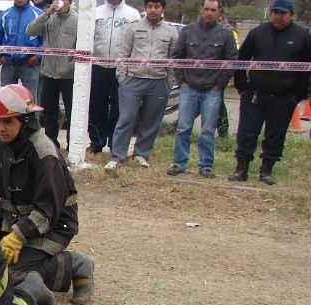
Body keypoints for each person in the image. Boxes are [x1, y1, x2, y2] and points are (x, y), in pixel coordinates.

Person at [0, 85, 95, 305]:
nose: (0, 128)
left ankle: (74, 264)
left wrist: (16, 236)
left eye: (7, 122)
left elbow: (47, 210)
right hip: (16, 215)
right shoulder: (3, 144)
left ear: (25, 121)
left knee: (8, 276)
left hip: (52, 224)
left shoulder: (44, 153)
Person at [228, 0, 311, 185]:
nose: (278, 16)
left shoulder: (302, 36)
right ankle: (241, 169)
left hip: (284, 97)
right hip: (255, 95)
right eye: (274, 12)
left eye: (282, 13)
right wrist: (242, 88)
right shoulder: (258, 33)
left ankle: (266, 171)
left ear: (292, 14)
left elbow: (307, 67)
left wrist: (297, 95)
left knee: (275, 134)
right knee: (246, 133)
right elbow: (241, 60)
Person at [104, 0, 178, 172]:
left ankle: (141, 154)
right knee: (126, 119)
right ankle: (117, 156)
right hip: (133, 80)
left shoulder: (171, 32)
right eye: (149, 7)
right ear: (146, 8)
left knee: (151, 121)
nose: (152, 10)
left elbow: (174, 59)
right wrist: (122, 78)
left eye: (156, 7)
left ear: (163, 9)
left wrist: (169, 82)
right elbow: (123, 53)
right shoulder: (133, 27)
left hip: (159, 81)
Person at [166, 0, 237, 178]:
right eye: (206, 9)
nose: (209, 13)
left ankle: (206, 166)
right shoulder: (188, 31)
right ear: (201, 9)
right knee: (183, 127)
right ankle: (179, 163)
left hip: (212, 90)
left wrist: (219, 85)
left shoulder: (225, 34)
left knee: (207, 130)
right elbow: (178, 57)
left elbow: (231, 62)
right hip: (189, 88)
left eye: (213, 10)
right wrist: (182, 81)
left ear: (219, 12)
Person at [86, 0, 140, 155]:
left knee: (119, 108)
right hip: (98, 66)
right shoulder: (96, 12)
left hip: (121, 68)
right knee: (96, 105)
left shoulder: (132, 14)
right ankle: (96, 142)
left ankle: (115, 143)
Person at [26, 0, 77, 151]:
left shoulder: (77, 20)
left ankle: (72, 145)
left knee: (71, 112)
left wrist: (72, 64)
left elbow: (83, 46)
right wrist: (47, 14)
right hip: (48, 72)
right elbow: (30, 31)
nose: (58, 2)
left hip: (68, 75)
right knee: (49, 112)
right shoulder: (48, 17)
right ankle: (51, 144)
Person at [0, 0, 43, 99]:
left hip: (30, 65)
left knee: (31, 99)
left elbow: (45, 40)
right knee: (6, 99)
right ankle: (10, 115)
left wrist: (38, 56)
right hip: (8, 64)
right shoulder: (4, 15)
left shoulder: (39, 15)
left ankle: (32, 115)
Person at [215, 4, 239, 138]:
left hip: (220, 74)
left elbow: (234, 54)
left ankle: (223, 131)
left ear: (220, 13)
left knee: (218, 102)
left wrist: (226, 76)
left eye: (214, 10)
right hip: (205, 74)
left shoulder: (230, 31)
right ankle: (223, 131)